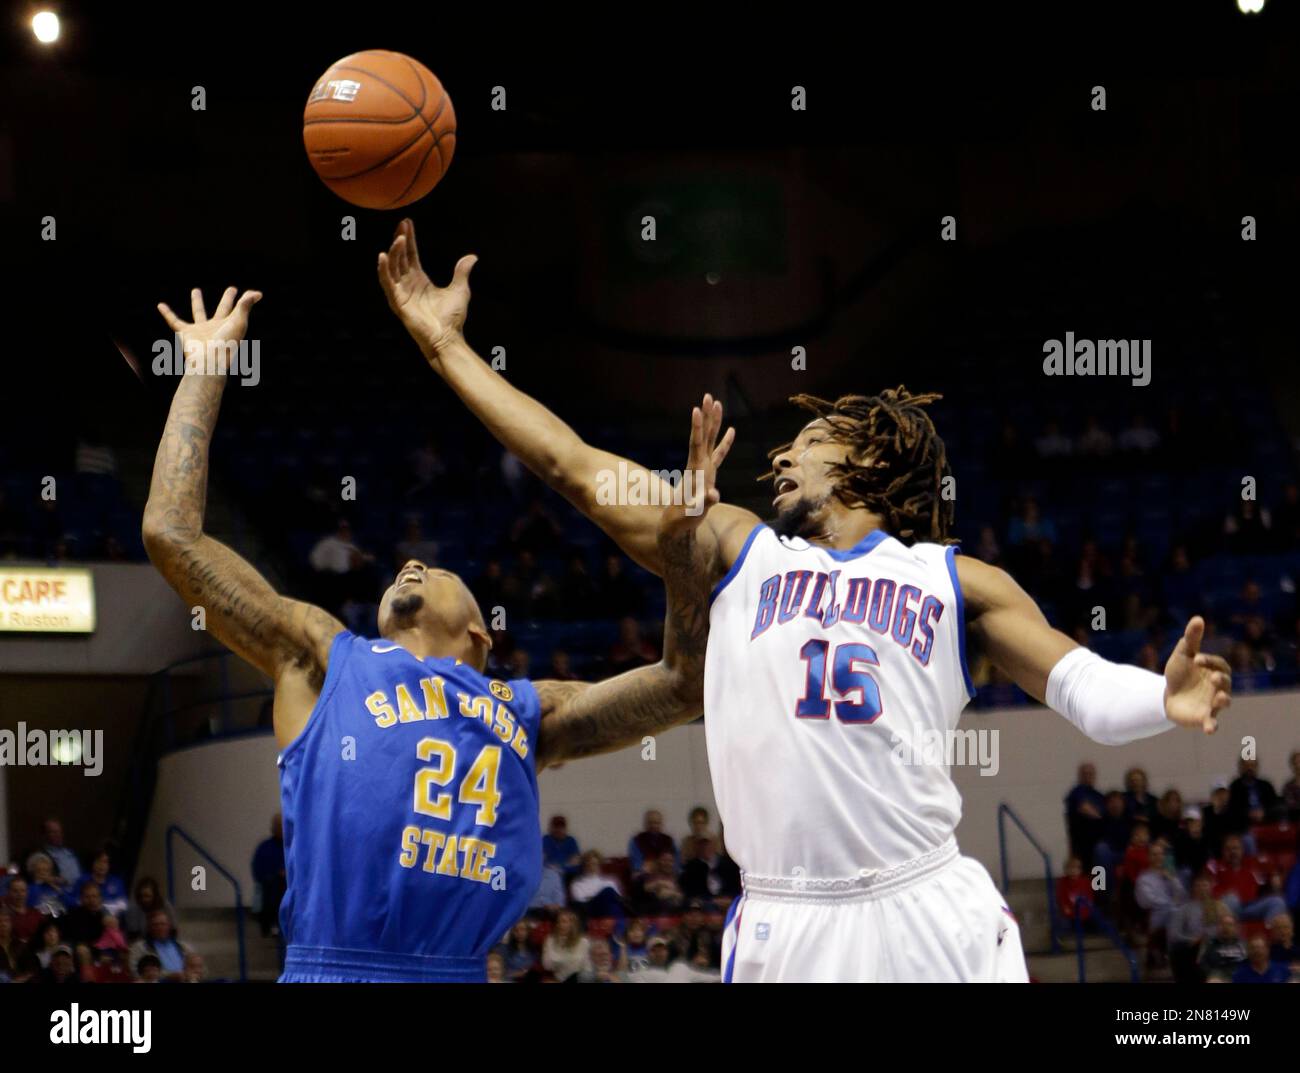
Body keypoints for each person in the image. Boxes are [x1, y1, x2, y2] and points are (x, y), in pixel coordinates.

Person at [381, 219, 1235, 983]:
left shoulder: (956, 581)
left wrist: (1160, 698)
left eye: (808, 443)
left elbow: (1080, 684)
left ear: (865, 463)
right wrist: (446, 348)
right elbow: (570, 463)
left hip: (926, 902)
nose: (781, 458)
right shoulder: (733, 546)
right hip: (786, 920)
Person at [144, 284, 720, 982]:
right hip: (337, 968)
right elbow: (171, 535)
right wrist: (204, 369)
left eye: (434, 568)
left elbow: (684, 684)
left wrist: (683, 547)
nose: (410, 564)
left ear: (482, 631)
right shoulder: (326, 656)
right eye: (405, 567)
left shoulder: (527, 711)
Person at [1166, 875, 1221, 984]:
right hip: (1191, 947)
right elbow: (1174, 934)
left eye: (1205, 885)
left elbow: (1226, 928)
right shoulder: (1184, 909)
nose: (1202, 888)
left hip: (1214, 945)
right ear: (1193, 889)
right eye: (1198, 886)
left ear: (1210, 887)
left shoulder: (1219, 907)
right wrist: (1191, 939)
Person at [128, 910, 193, 982]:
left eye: (163, 924)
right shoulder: (139, 947)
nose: (160, 927)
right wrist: (168, 976)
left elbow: (199, 968)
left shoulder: (184, 947)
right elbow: (135, 971)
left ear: (169, 926)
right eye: (156, 925)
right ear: (149, 927)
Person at [251, 813, 286, 939]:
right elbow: (259, 871)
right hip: (271, 888)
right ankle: (272, 927)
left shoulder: (294, 846)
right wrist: (278, 873)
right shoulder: (265, 848)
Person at [1064, 763, 1106, 869]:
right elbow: (1085, 809)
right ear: (1080, 775)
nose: (1088, 776)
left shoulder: (1098, 795)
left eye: (1090, 774)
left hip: (1098, 841)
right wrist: (1102, 817)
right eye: (1085, 774)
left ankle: (1100, 885)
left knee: (1099, 872)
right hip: (1082, 841)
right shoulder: (1076, 792)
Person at [541, 909, 590, 982]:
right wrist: (568, 961)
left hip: (576, 977)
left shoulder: (583, 942)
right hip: (553, 976)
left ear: (573, 924)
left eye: (564, 922)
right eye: (558, 922)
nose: (561, 925)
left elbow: (580, 964)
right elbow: (547, 964)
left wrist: (558, 978)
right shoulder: (550, 940)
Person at [628, 810, 678, 876]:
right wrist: (661, 864)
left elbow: (676, 864)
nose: (653, 826)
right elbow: (638, 866)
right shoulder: (636, 841)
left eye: (657, 823)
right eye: (650, 823)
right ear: (645, 824)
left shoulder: (669, 840)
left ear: (661, 824)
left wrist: (653, 864)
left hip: (667, 876)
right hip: (645, 877)